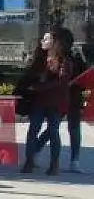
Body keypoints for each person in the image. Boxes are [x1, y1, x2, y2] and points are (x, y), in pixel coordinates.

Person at [20, 29, 75, 175]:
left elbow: (61, 81)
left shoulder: (65, 62)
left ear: (55, 43)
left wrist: (39, 87)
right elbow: (28, 76)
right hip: (39, 101)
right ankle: (29, 161)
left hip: (55, 102)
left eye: (46, 39)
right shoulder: (39, 59)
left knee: (53, 132)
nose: (42, 42)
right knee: (33, 130)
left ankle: (54, 164)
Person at [31, 27, 86, 173]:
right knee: (52, 129)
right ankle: (35, 151)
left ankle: (75, 160)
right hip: (58, 97)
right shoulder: (51, 57)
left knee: (73, 129)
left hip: (73, 96)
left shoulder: (75, 56)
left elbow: (83, 74)